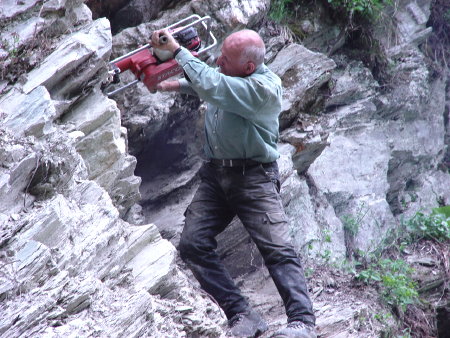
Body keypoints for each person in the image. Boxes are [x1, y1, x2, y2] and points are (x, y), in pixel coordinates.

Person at [150, 28, 316, 338]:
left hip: (254, 177)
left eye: (225, 58)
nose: (218, 61)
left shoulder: (265, 89)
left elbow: (220, 88)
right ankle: (242, 314)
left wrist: (178, 53)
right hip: (215, 177)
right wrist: (178, 85)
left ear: (249, 67)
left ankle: (303, 323)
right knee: (193, 244)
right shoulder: (233, 77)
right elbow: (214, 87)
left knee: (278, 249)